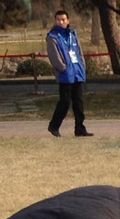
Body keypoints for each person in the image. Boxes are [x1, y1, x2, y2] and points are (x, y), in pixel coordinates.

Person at [45, 9, 90, 138]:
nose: (61, 22)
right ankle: (54, 126)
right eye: (58, 20)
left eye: (63, 19)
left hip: (77, 72)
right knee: (65, 102)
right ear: (55, 21)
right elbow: (54, 56)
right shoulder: (53, 37)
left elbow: (79, 51)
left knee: (79, 103)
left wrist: (82, 65)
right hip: (65, 74)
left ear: (68, 20)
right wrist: (63, 68)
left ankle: (80, 129)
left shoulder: (72, 34)